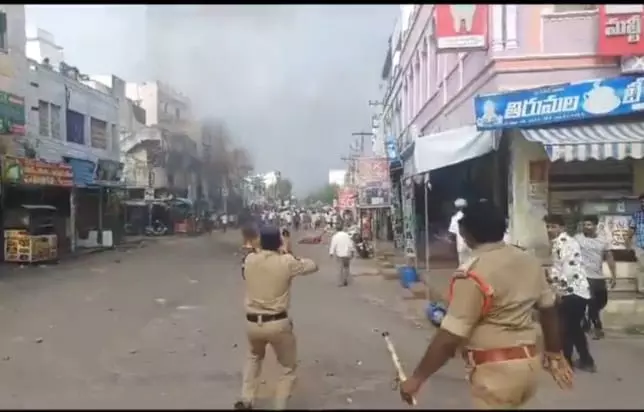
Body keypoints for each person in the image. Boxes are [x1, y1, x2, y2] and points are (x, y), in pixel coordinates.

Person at [400, 200, 573, 409]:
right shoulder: (529, 261)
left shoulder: (472, 273)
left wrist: (417, 379)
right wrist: (554, 353)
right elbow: (548, 309)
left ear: (466, 234)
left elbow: (450, 337)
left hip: (496, 374)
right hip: (529, 366)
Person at [235, 226, 319, 410]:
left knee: (254, 357)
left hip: (252, 323)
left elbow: (251, 260)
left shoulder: (249, 260)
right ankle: (279, 406)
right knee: (287, 368)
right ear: (279, 242)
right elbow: (313, 266)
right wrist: (288, 250)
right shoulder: (287, 262)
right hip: (277, 323)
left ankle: (246, 399)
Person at [544, 214, 596, 372]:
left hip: (572, 291)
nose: (549, 230)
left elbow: (568, 270)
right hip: (578, 291)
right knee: (573, 328)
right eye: (548, 226)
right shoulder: (563, 242)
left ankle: (568, 361)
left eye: (553, 227)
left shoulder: (563, 243)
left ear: (562, 228)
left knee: (566, 327)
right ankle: (584, 360)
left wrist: (558, 288)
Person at [575, 215, 617, 340]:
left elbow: (609, 258)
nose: (586, 227)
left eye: (589, 225)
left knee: (601, 302)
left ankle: (587, 318)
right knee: (592, 303)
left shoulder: (603, 240)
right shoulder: (577, 239)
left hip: (598, 277)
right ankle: (597, 328)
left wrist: (614, 275)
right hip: (584, 276)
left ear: (595, 226)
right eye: (584, 225)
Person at [628, 193, 644, 292]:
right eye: (642, 202)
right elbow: (631, 229)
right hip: (640, 246)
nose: (643, 203)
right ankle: (642, 289)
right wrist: (628, 242)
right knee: (641, 268)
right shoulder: (636, 215)